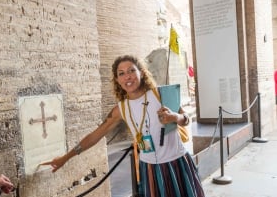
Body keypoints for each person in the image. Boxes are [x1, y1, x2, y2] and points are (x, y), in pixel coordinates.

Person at [41, 55, 205, 197]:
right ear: (117, 80)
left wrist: (174, 117)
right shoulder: (121, 108)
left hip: (176, 162)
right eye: (122, 73)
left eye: (132, 70)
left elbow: (186, 119)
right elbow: (94, 136)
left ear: (141, 72)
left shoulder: (160, 94)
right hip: (149, 168)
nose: (128, 76)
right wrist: (65, 158)